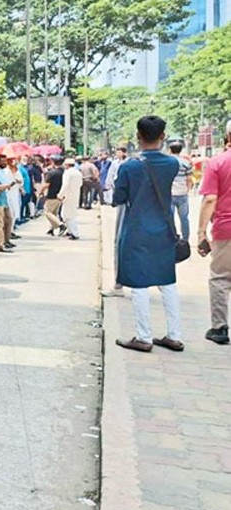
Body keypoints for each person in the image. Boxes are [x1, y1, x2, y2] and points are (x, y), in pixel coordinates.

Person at [113, 116, 183, 353]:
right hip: (164, 230)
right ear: (163, 136)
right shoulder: (172, 164)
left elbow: (118, 198)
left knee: (139, 284)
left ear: (138, 136)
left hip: (137, 230)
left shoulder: (129, 167)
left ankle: (144, 337)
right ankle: (174, 336)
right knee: (168, 282)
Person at [196, 119, 231, 345]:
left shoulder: (218, 162)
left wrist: (201, 233)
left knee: (220, 278)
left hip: (226, 228)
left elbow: (210, 199)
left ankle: (219, 328)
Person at [102, 147, 130, 297]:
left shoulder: (128, 166)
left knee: (120, 244)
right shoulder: (170, 165)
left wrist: (114, 199)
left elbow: (119, 190)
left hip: (128, 209)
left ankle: (118, 285)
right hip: (155, 216)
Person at [168, 139, 193, 242]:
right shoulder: (186, 162)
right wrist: (188, 190)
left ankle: (173, 237)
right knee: (184, 218)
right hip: (182, 192)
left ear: (170, 149)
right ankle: (185, 239)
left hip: (170, 193)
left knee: (170, 218)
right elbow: (189, 179)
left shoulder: (167, 162)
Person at [0, 156, 15, 252]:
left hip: (4, 199)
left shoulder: (1, 172)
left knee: (8, 219)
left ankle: (5, 240)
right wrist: (6, 186)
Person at [58, 157, 83, 240]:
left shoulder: (67, 173)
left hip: (68, 195)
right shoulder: (78, 173)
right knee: (70, 214)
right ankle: (70, 231)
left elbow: (65, 185)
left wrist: (60, 195)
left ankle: (74, 233)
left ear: (67, 165)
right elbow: (80, 184)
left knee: (67, 215)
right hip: (75, 194)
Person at [41, 156, 66, 236]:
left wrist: (41, 192)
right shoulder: (65, 172)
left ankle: (60, 225)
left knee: (47, 212)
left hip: (51, 195)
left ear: (53, 162)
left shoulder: (51, 173)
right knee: (54, 213)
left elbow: (46, 185)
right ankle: (51, 229)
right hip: (60, 195)